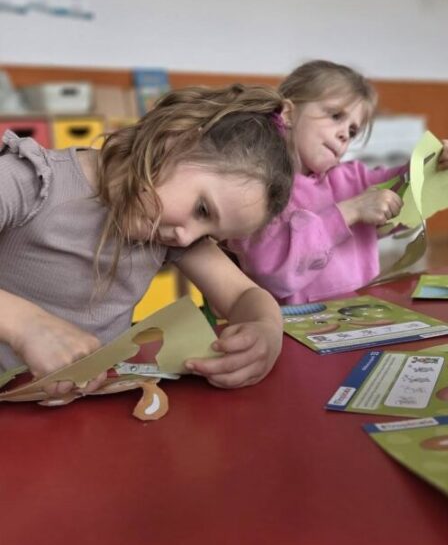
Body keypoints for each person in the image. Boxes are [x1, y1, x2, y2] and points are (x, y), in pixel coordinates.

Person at [0, 84, 293, 392]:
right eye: (202, 209)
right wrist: (25, 325)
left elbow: (244, 295)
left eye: (210, 235)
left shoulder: (169, 233)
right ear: (175, 140)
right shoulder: (27, 179)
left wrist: (265, 329)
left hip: (86, 405)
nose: (187, 239)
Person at [228, 60, 448, 304]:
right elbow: (272, 272)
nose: (345, 134)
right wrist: (350, 211)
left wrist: (438, 161)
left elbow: (405, 186)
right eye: (335, 116)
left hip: (359, 316)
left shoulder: (351, 178)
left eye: (353, 131)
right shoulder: (257, 187)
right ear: (289, 114)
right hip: (296, 324)